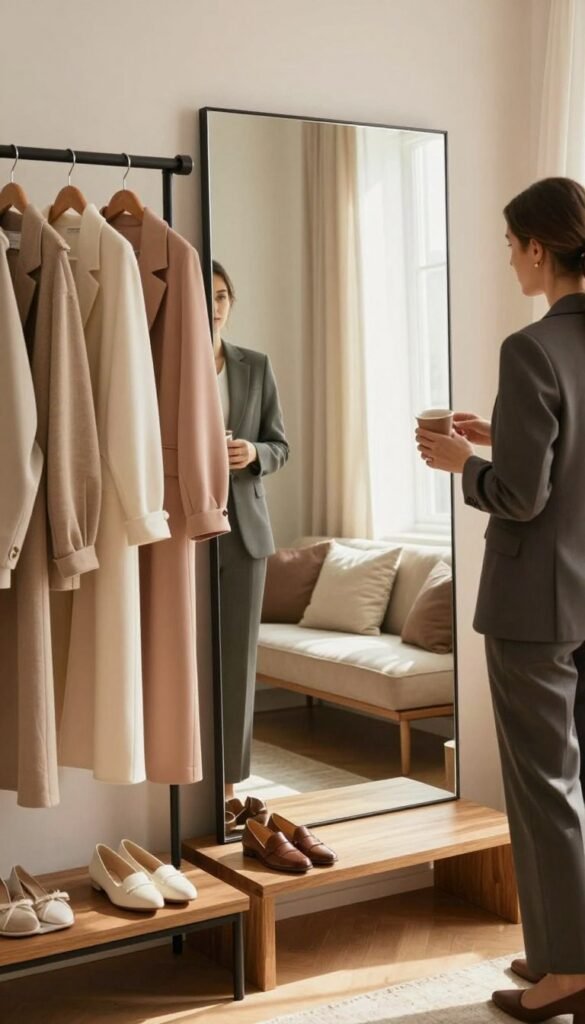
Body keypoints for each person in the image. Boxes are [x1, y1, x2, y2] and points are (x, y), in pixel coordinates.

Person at [416, 177, 585, 1023]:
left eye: (509, 242)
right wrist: (498, 434)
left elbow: (521, 496)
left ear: (536, 249)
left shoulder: (532, 347)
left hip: (535, 610)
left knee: (544, 788)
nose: (507, 256)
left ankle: (564, 968)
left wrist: (462, 466)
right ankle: (568, 948)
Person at [212, 260, 289, 807]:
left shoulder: (255, 366)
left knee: (238, 665)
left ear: (231, 302)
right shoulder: (167, 361)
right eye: (205, 294)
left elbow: (280, 443)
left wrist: (254, 454)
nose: (215, 304)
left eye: (222, 294)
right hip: (182, 530)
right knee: (186, 658)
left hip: (245, 532)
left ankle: (229, 786)